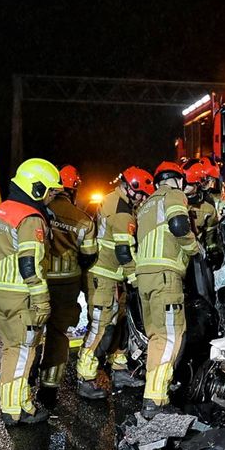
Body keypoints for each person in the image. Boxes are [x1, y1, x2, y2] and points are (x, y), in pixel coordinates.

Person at [0, 158, 61, 426]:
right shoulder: (30, 218)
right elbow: (29, 263)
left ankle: (18, 403)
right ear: (36, 188)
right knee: (24, 352)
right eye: (50, 191)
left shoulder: (3, 210)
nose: (52, 197)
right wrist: (41, 299)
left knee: (12, 350)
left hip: (0, 293)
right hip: (22, 296)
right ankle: (15, 410)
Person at [77, 166, 153, 399]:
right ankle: (85, 377)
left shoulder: (114, 200)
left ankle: (119, 368)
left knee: (120, 323)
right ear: (131, 188)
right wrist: (136, 280)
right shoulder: (122, 212)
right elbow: (124, 251)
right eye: (141, 195)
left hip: (112, 275)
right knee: (101, 326)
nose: (142, 200)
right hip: (105, 275)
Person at [135, 161, 200, 418]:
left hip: (145, 277)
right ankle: (155, 400)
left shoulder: (145, 205)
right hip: (165, 276)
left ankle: (154, 392)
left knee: (156, 337)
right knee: (170, 337)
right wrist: (194, 248)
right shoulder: (173, 195)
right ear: (178, 179)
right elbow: (179, 226)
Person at [39, 164, 97, 409]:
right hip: (67, 283)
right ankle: (48, 391)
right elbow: (89, 255)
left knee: (30, 334)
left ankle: (24, 383)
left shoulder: (38, 211)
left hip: (39, 280)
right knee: (58, 334)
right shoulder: (83, 219)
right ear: (73, 190)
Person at [185, 161, 224, 267]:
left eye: (210, 180)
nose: (208, 184)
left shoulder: (207, 205)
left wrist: (213, 253)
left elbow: (210, 233)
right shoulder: (176, 200)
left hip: (197, 257)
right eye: (207, 180)